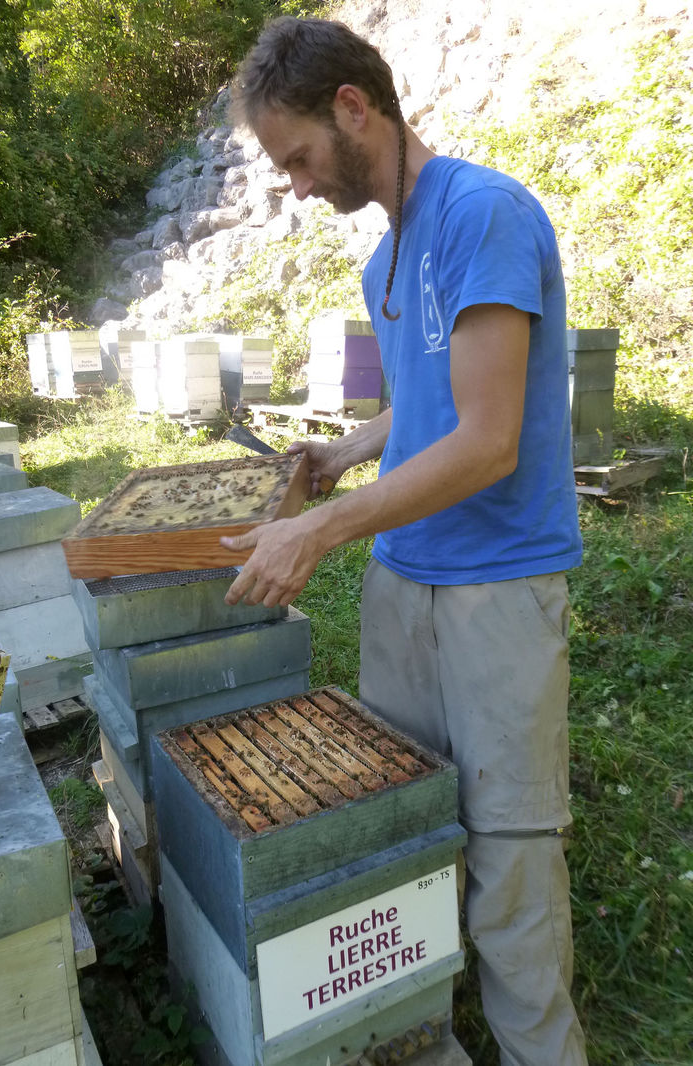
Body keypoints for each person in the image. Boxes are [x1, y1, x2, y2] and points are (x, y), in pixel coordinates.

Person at [221, 16, 587, 1066]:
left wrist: (321, 527)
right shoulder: (385, 256)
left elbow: (484, 437)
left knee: (510, 871)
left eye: (295, 157)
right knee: (406, 839)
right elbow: (430, 402)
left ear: (352, 107)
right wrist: (347, 454)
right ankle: (424, 1025)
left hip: (497, 595)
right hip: (402, 584)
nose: (292, 183)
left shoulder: (483, 214)